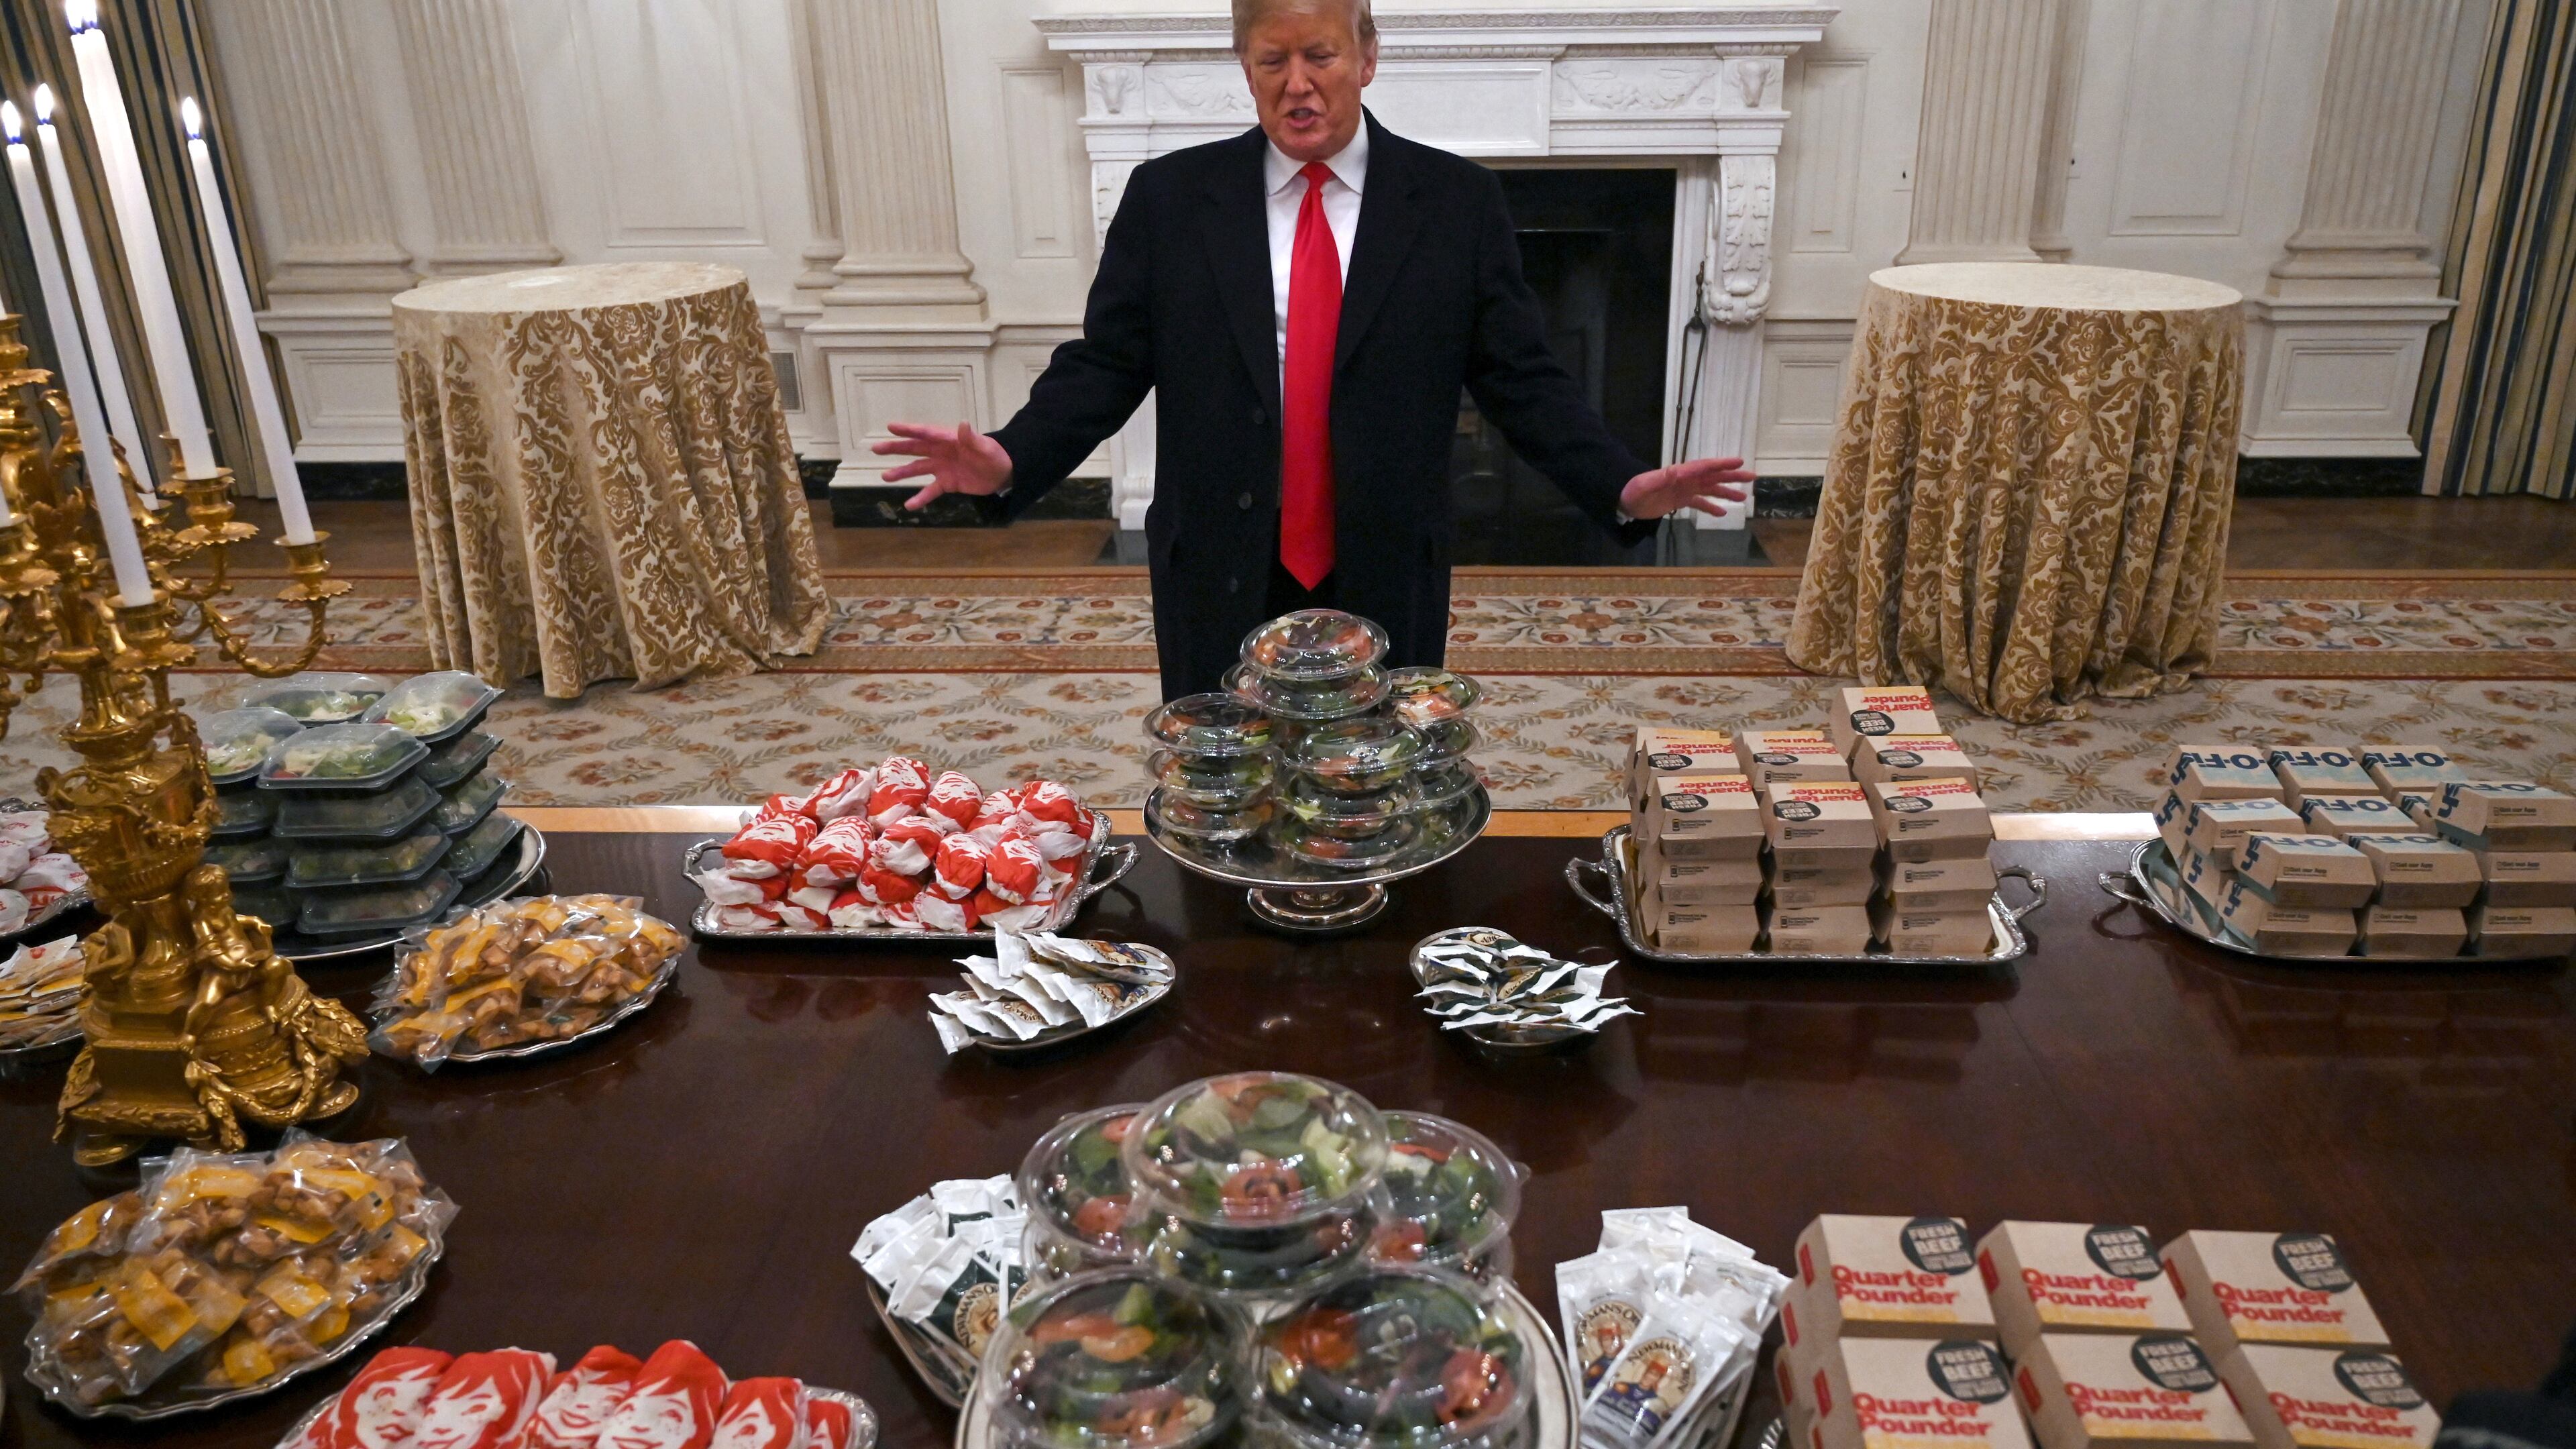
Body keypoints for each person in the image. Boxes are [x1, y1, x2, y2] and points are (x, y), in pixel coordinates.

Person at [875, 0, 1752, 699]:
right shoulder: (1170, 199)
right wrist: (1010, 457)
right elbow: (1107, 361)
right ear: (1245, 68)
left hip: (1383, 558)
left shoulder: (1457, 203)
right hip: (1218, 559)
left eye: (1321, 56)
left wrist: (1621, 483)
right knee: (1226, 796)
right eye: (1272, 60)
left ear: (1366, 58)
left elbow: (1522, 378)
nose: (1298, 83)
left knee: (1371, 798)